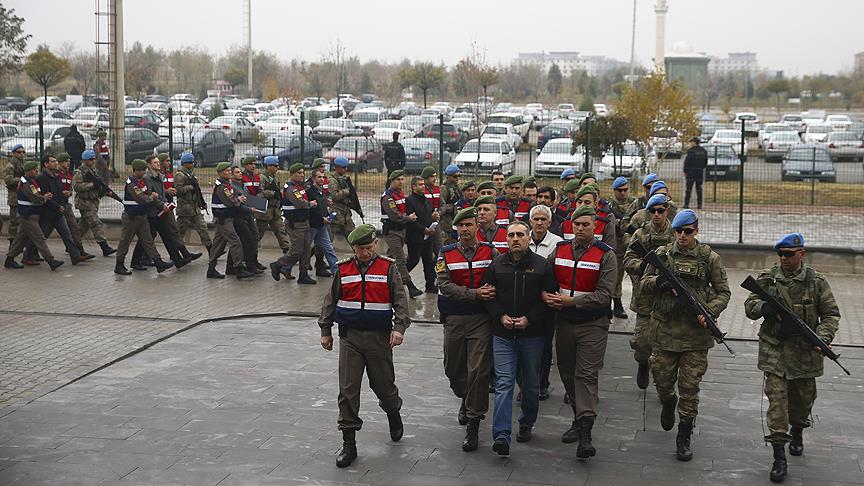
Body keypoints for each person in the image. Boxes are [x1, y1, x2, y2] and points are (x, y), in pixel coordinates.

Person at [743, 233, 841, 483]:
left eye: (789, 254)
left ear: (801, 254)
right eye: (781, 254)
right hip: (774, 350)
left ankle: (797, 429)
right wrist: (766, 308)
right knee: (777, 405)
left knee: (801, 405)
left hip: (805, 354)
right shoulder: (768, 278)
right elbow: (750, 305)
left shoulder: (816, 282)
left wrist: (823, 337)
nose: (784, 259)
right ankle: (779, 456)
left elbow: (831, 314)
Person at [640, 209, 730, 462]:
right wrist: (660, 283)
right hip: (664, 333)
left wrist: (710, 312)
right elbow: (643, 284)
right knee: (662, 381)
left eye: (687, 231)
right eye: (678, 231)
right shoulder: (661, 255)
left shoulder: (710, 258)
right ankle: (668, 402)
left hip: (695, 337)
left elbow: (724, 292)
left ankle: (684, 435)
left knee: (690, 389)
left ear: (696, 231)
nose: (682, 236)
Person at [318, 224, 410, 468]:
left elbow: (401, 301)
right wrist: (325, 330)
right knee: (348, 390)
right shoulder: (343, 269)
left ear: (375, 244)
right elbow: (330, 300)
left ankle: (393, 412)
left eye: (370, 247)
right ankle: (349, 443)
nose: (366, 252)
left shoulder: (388, 267)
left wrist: (399, 329)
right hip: (350, 338)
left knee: (383, 385)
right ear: (354, 248)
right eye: (361, 249)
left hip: (379, 339)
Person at [542, 205, 616, 458]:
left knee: (585, 375)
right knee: (567, 374)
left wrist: (571, 302)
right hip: (563, 323)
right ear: (571, 226)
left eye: (586, 225)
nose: (581, 229)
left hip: (592, 324)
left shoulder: (605, 255)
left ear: (595, 226)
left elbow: (605, 295)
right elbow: (545, 276)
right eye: (577, 225)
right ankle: (578, 416)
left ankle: (586, 432)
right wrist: (546, 295)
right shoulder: (560, 249)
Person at [482, 220, 557, 455]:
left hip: (532, 336)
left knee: (530, 384)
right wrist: (500, 315)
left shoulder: (542, 266)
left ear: (528, 238)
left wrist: (529, 319)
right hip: (502, 335)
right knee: (504, 383)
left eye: (520, 235)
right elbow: (488, 296)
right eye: (511, 235)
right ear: (506, 240)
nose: (515, 239)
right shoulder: (496, 265)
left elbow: (549, 301)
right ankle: (502, 435)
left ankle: (526, 422)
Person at [436, 207, 497, 452]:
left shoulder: (490, 251)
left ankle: (474, 421)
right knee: (453, 367)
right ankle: (465, 396)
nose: (464, 229)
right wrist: (474, 293)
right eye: (461, 226)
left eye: (469, 225)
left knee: (478, 370)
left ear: (476, 227)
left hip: (481, 319)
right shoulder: (446, 253)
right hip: (454, 318)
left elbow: (497, 280)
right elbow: (444, 285)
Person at [623, 194, 675, 390]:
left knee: (666, 346)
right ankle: (642, 363)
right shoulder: (640, 235)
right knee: (642, 342)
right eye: (652, 211)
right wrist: (645, 265)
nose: (656, 214)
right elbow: (628, 261)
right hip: (645, 297)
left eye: (660, 210)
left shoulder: (676, 233)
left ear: (666, 211)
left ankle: (665, 386)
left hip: (669, 298)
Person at [130, 156, 197, 271]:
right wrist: (162, 204)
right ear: (149, 165)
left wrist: (165, 203)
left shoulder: (160, 176)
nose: (158, 164)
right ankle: (142, 261)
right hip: (153, 212)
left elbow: (161, 194)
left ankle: (176, 260)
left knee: (157, 237)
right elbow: (151, 195)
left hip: (161, 210)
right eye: (155, 163)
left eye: (158, 162)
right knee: (153, 237)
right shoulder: (148, 178)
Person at [528, 204, 563, 401]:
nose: (539, 222)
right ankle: (527, 384)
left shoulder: (558, 243)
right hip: (524, 302)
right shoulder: (522, 239)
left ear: (550, 222)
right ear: (530, 221)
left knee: (544, 345)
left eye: (543, 219)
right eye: (536, 219)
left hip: (547, 303)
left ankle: (542, 383)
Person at [113, 160, 173, 275]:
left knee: (148, 240)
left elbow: (148, 193)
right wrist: (152, 197)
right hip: (131, 217)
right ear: (135, 170)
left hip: (142, 216)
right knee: (125, 241)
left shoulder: (143, 181)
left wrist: (154, 199)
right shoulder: (132, 183)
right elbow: (140, 198)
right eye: (141, 170)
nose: (143, 172)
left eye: (144, 170)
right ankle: (119, 264)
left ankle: (158, 262)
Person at [4, 161, 65, 271]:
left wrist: (44, 196)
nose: (37, 171)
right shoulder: (27, 184)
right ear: (29, 171)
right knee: (39, 238)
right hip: (29, 216)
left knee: (20, 240)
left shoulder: (30, 181)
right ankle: (51, 261)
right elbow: (35, 198)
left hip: (28, 215)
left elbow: (37, 195)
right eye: (35, 169)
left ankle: (9, 260)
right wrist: (45, 197)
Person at [35, 155, 88, 265]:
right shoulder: (42, 177)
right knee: (41, 236)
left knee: (67, 234)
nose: (55, 163)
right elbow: (46, 197)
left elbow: (59, 193)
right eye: (53, 161)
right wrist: (57, 206)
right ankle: (29, 254)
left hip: (58, 212)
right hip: (48, 213)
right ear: (46, 164)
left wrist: (66, 197)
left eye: (55, 161)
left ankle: (75, 256)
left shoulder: (56, 176)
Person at [269, 163, 315, 284]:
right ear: (292, 174)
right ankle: (278, 264)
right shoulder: (291, 188)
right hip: (296, 224)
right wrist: (310, 204)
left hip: (304, 222)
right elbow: (299, 203)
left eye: (302, 173)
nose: (302, 175)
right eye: (299, 173)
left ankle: (303, 274)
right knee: (297, 250)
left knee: (306, 250)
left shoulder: (299, 187)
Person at [207, 162, 254, 280]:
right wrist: (239, 199)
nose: (229, 172)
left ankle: (211, 269)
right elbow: (231, 202)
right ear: (220, 173)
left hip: (225, 218)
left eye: (229, 170)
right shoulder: (223, 187)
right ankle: (238, 268)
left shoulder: (226, 185)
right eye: (226, 171)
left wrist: (238, 199)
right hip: (224, 218)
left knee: (218, 244)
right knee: (235, 242)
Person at [381, 170, 423, 298]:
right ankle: (410, 287)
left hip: (401, 231)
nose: (401, 182)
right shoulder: (388, 196)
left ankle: (384, 281)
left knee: (391, 258)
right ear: (392, 181)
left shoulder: (400, 194)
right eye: (398, 179)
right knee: (400, 259)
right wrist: (408, 218)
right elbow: (394, 215)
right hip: (392, 231)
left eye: (402, 179)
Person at [72, 150, 116, 257]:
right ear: (85, 160)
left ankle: (72, 245)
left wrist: (105, 191)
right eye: (91, 159)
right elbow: (76, 187)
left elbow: (99, 185)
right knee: (96, 223)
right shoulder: (80, 172)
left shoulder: (93, 171)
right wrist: (92, 185)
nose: (93, 161)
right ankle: (104, 247)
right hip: (85, 202)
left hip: (92, 201)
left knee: (83, 226)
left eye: (94, 159)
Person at [405, 176, 439, 293]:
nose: (423, 186)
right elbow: (412, 220)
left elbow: (428, 213)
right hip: (415, 237)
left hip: (428, 237)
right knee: (413, 260)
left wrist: (433, 217)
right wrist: (423, 229)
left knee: (428, 261)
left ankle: (430, 285)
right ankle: (399, 277)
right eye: (420, 184)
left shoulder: (425, 199)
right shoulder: (409, 200)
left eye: (423, 184)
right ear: (414, 187)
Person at [174, 153, 212, 252]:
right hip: (185, 208)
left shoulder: (191, 174)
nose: (193, 164)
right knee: (180, 231)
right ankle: (175, 252)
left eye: (193, 162)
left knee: (202, 228)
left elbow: (197, 190)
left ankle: (211, 250)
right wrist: (189, 187)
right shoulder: (180, 175)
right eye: (190, 162)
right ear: (184, 163)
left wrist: (202, 203)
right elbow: (177, 191)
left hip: (194, 207)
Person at [56, 153, 91, 258]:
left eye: (69, 162)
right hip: (56, 206)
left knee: (74, 228)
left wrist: (70, 192)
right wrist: (60, 193)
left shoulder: (69, 174)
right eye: (66, 161)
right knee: (44, 230)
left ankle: (79, 251)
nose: (68, 163)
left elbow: (71, 187)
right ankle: (31, 252)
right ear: (61, 162)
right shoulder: (56, 174)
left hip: (66, 205)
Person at [609, 176, 635, 319]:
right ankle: (617, 304)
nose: (623, 193)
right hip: (617, 246)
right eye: (620, 190)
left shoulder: (634, 203)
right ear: (614, 191)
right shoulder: (610, 205)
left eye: (625, 190)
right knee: (616, 278)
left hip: (632, 246)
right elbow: (613, 222)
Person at [306, 169, 339, 276]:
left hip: (322, 225)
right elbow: (312, 210)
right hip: (313, 225)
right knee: (303, 248)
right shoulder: (310, 191)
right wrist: (321, 218)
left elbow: (321, 206)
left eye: (323, 177)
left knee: (329, 248)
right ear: (313, 178)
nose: (322, 179)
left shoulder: (321, 191)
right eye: (319, 177)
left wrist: (327, 203)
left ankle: (336, 271)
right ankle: (285, 267)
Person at [256, 156, 291, 254]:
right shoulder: (262, 177)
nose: (277, 167)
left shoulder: (275, 177)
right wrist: (273, 193)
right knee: (258, 234)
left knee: (281, 231)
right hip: (264, 211)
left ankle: (287, 253)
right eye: (275, 166)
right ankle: (250, 257)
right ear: (268, 166)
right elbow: (260, 192)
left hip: (275, 211)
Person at [328, 156, 357, 242]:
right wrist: (347, 191)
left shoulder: (345, 179)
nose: (346, 169)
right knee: (328, 240)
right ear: (337, 168)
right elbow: (335, 196)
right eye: (343, 167)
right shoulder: (332, 180)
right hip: (336, 213)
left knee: (354, 239)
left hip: (346, 213)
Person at [4, 144, 26, 245]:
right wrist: (22, 180)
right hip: (14, 196)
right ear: (13, 153)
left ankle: (20, 243)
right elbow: (8, 180)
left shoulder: (22, 164)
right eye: (19, 152)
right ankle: (12, 243)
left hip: (23, 195)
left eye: (23, 152)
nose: (22, 154)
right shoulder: (11, 165)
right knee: (14, 221)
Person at [421, 166, 442, 256]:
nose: (435, 179)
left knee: (439, 250)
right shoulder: (421, 190)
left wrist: (439, 213)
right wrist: (430, 216)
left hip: (435, 224)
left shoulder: (437, 189)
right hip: (424, 225)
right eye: (432, 176)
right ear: (426, 178)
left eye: (435, 176)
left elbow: (443, 204)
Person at [439, 164, 462, 246]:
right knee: (447, 244)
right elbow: (442, 205)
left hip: (456, 220)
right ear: (448, 176)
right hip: (447, 222)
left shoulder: (457, 187)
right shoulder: (444, 188)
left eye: (459, 176)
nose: (457, 178)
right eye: (455, 176)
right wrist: (454, 207)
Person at [683, 137, 708, 209]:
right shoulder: (703, 151)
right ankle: (699, 204)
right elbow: (705, 162)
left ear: (694, 142)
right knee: (699, 189)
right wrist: (701, 168)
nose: (690, 144)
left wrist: (685, 171)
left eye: (691, 142)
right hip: (699, 172)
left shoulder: (691, 151)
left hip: (691, 172)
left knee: (688, 189)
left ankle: (686, 204)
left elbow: (687, 162)